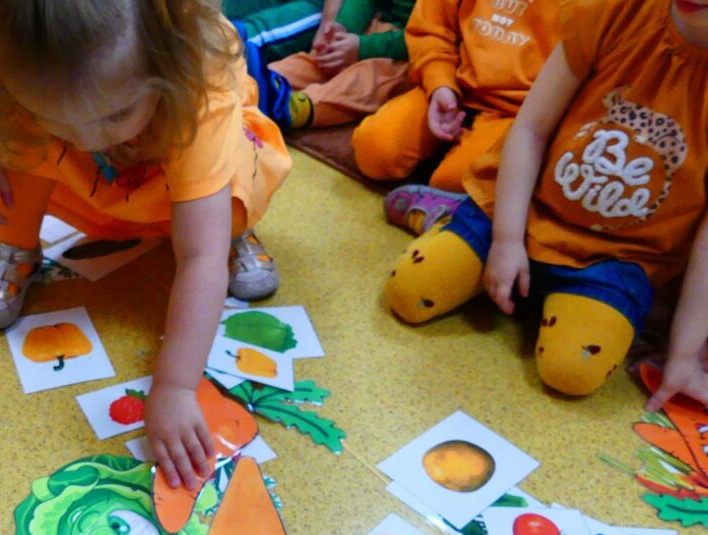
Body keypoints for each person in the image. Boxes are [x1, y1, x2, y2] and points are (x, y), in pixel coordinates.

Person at [0, 0, 291, 488]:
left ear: (166, 58)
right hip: (117, 189)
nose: (89, 142)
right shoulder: (20, 60)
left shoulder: (198, 82)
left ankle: (232, 231)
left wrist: (176, 386)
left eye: (118, 113)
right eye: (53, 116)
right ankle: (15, 247)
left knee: (219, 208)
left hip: (195, 161)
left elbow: (199, 260)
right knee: (21, 134)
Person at [383, 0, 708, 404]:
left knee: (571, 372)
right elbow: (531, 129)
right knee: (409, 292)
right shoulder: (614, 10)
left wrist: (684, 355)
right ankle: (449, 214)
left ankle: (535, 289)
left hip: (615, 259)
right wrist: (506, 241)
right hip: (523, 210)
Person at [351, 0, 559, 193]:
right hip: (452, 83)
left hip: (516, 113)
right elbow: (430, 29)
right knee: (374, 152)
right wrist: (440, 84)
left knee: (454, 184)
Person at [268, 0, 417, 130]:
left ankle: (295, 109)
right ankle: (267, 82)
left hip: (408, 52)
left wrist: (362, 47)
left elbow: (424, 37)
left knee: (369, 76)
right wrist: (344, 28)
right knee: (321, 58)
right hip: (372, 27)